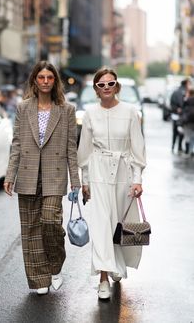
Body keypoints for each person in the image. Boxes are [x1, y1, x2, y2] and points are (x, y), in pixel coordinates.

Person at [4, 61, 80, 295]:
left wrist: (76, 182)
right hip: (27, 173)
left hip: (54, 176)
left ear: (55, 81)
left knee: (49, 221)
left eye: (49, 77)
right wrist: (10, 175)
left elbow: (70, 149)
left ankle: (55, 265)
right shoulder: (23, 107)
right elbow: (17, 143)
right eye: (41, 77)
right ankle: (39, 280)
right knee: (30, 229)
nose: (45, 81)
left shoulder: (66, 110)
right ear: (34, 81)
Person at [77, 67, 146, 300]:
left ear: (117, 86)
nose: (106, 87)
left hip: (123, 173)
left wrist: (137, 180)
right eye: (101, 84)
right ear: (96, 89)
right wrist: (84, 182)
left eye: (110, 83)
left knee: (119, 222)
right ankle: (103, 278)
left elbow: (138, 148)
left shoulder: (130, 112)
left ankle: (117, 264)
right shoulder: (89, 113)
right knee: (101, 225)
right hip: (98, 172)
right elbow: (84, 151)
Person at [170, 78, 191, 154]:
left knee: (175, 132)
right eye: (189, 83)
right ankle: (179, 147)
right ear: (186, 84)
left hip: (175, 115)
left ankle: (173, 146)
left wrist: (175, 109)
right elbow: (183, 104)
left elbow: (171, 103)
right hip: (181, 116)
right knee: (181, 132)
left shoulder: (175, 92)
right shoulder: (184, 92)